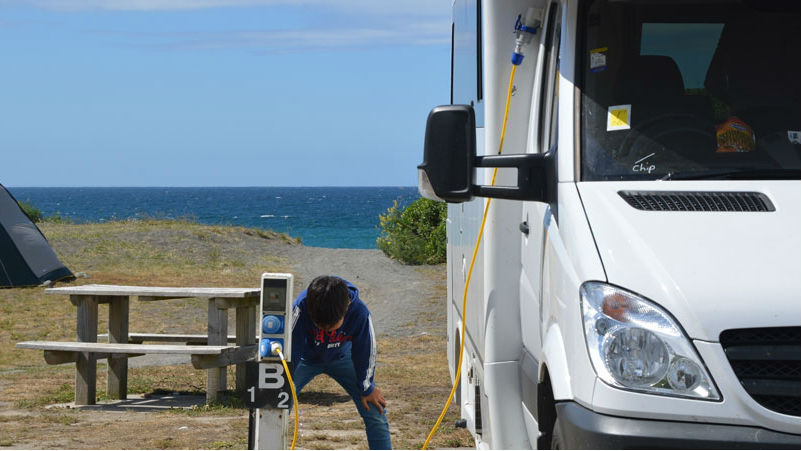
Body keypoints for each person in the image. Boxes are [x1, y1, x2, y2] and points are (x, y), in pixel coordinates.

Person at [290, 275, 392, 450]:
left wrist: (366, 387)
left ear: (347, 308)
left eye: (331, 326)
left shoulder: (359, 311)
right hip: (304, 359)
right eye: (320, 326)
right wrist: (282, 385)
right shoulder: (300, 307)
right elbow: (290, 348)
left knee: (375, 410)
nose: (326, 330)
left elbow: (366, 351)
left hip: (342, 358)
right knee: (276, 406)